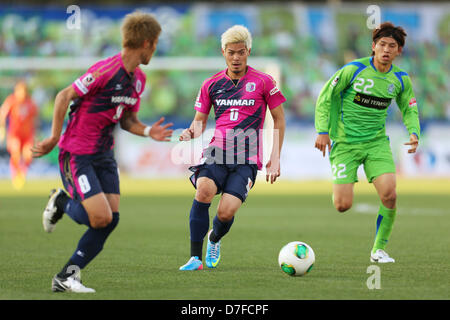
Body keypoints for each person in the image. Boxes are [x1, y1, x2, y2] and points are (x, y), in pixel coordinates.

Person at [31, 11, 173, 293]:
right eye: (155, 43)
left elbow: (127, 119)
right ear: (146, 43)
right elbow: (64, 95)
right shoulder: (105, 71)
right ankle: (61, 202)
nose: (155, 50)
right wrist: (53, 137)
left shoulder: (139, 80)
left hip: (104, 156)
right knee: (100, 218)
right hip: (78, 153)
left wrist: (147, 131)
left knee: (110, 219)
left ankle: (66, 276)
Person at [178, 25, 286, 271]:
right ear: (223, 51)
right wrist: (190, 132)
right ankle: (195, 258)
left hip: (247, 159)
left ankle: (214, 238)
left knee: (226, 213)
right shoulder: (211, 84)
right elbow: (200, 122)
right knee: (203, 190)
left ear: (248, 51)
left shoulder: (264, 82)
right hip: (218, 152)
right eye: (231, 52)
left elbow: (279, 118)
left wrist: (275, 157)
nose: (236, 57)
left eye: (241, 52)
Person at [314, 22, 420, 263]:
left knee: (390, 195)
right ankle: (344, 184)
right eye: (382, 44)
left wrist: (414, 132)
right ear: (373, 47)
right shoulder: (353, 69)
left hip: (376, 144)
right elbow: (325, 97)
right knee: (342, 205)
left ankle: (378, 249)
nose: (386, 49)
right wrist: (322, 131)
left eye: (392, 46)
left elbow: (409, 108)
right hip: (345, 143)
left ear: (398, 51)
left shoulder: (401, 79)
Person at [0, 80, 39, 190]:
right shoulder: (11, 101)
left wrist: (36, 133)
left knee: (28, 155)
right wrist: (2, 129)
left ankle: (22, 174)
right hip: (14, 134)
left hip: (28, 135)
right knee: (16, 152)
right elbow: (2, 113)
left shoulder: (30, 103)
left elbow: (35, 118)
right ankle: (15, 175)